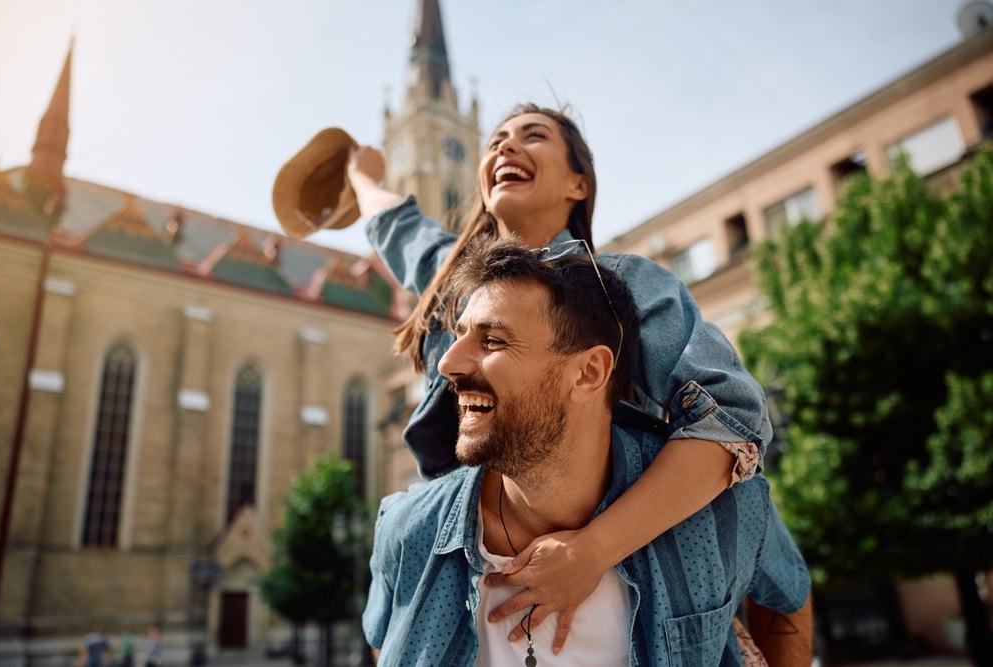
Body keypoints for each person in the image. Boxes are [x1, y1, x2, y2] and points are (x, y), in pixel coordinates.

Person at [347, 103, 770, 650]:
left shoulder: (620, 285)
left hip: (619, 550)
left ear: (578, 183)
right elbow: (398, 227)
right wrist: (361, 178)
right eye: (495, 139)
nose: (504, 145)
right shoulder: (455, 280)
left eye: (533, 135)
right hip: (466, 555)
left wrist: (595, 548)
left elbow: (732, 416)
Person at [362, 236, 812, 665]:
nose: (447, 364)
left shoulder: (723, 513)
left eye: (493, 340)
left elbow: (787, 596)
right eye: (459, 336)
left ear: (588, 373)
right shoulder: (406, 532)